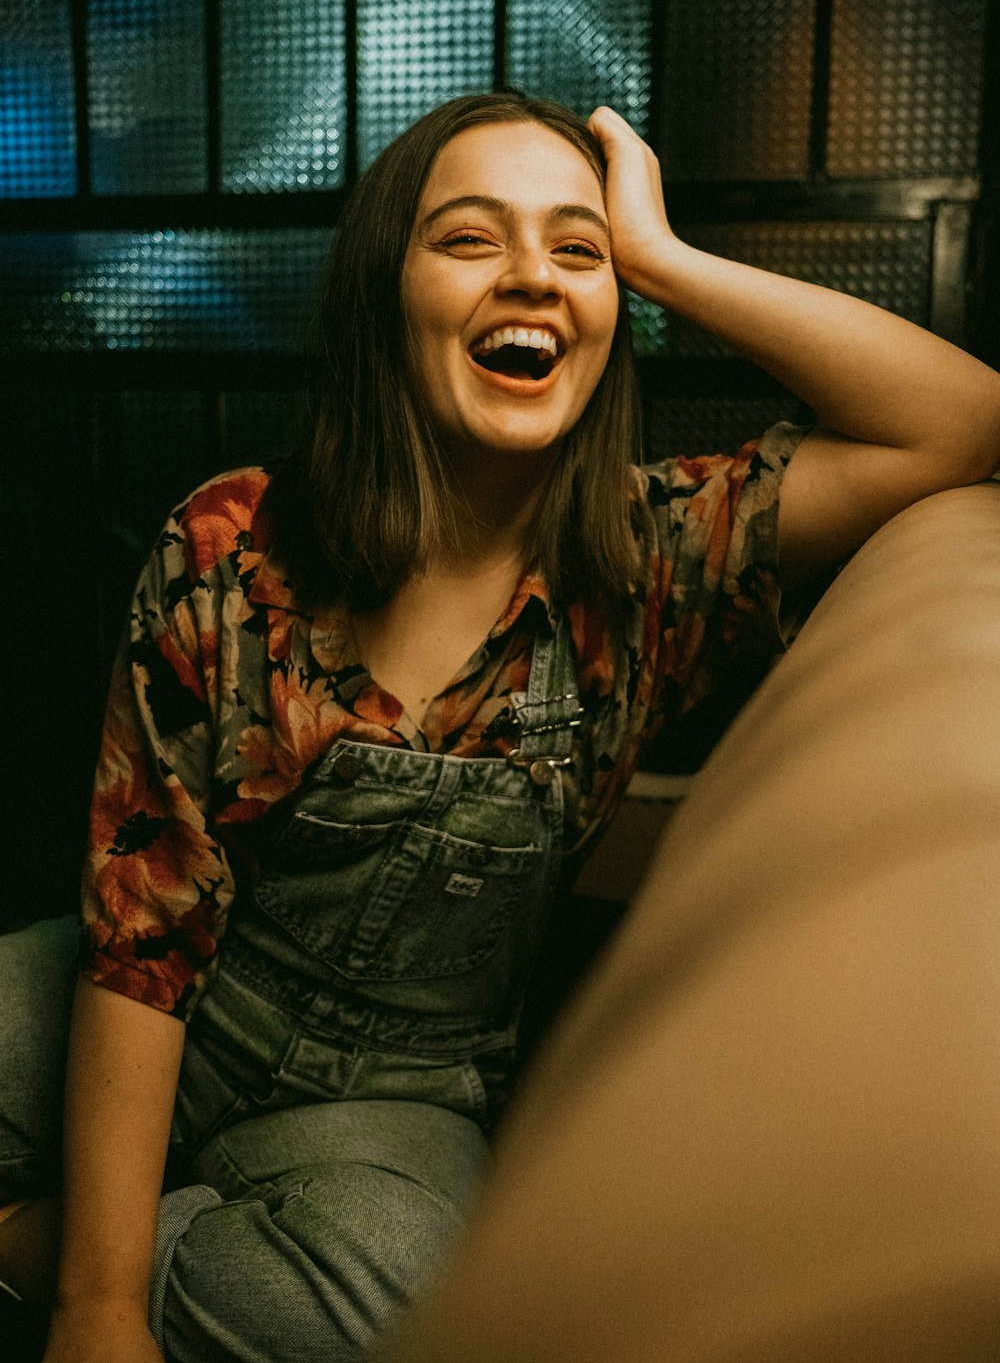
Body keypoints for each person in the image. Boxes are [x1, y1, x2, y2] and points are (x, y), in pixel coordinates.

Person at [1, 90, 998, 1363]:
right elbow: (145, 933)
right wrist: (92, 1316)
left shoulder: (648, 562)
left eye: (571, 250)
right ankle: (91, 1253)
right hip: (179, 1016)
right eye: (470, 239)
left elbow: (959, 421)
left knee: (399, 1306)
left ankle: (55, 1238)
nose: (531, 274)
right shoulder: (230, 544)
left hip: (399, 1105)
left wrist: (658, 259)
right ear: (386, 294)